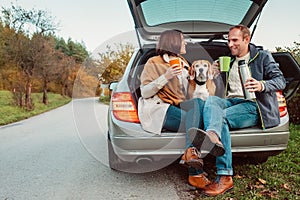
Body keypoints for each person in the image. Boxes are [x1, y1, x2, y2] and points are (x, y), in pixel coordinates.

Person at [189, 24, 286, 196]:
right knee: (212, 100)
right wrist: (215, 73)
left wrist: (261, 85)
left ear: (246, 39)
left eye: (235, 40)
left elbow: (280, 80)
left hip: (253, 105)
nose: (230, 44)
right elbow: (220, 87)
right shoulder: (229, 60)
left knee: (222, 118)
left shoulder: (262, 56)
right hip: (231, 101)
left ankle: (225, 176)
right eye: (228, 40)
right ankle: (213, 135)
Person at [138, 29, 224, 189]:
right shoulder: (153, 62)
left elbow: (193, 91)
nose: (185, 43)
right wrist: (167, 76)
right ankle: (195, 173)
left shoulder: (184, 63)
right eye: (182, 40)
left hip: (181, 105)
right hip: (161, 108)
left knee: (198, 105)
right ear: (174, 42)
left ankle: (190, 155)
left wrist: (211, 75)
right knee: (196, 125)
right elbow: (145, 92)